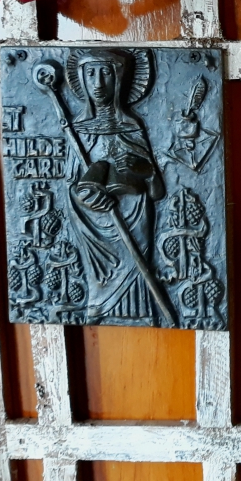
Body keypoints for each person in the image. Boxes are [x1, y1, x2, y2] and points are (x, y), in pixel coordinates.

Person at [64, 48, 165, 324]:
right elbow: (70, 188)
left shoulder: (132, 126)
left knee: (139, 277)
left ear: (120, 77)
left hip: (134, 221)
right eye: (91, 73)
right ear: (81, 79)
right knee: (100, 289)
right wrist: (85, 198)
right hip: (95, 227)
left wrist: (146, 171)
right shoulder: (77, 130)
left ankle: (143, 316)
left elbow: (157, 192)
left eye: (106, 73)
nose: (98, 83)